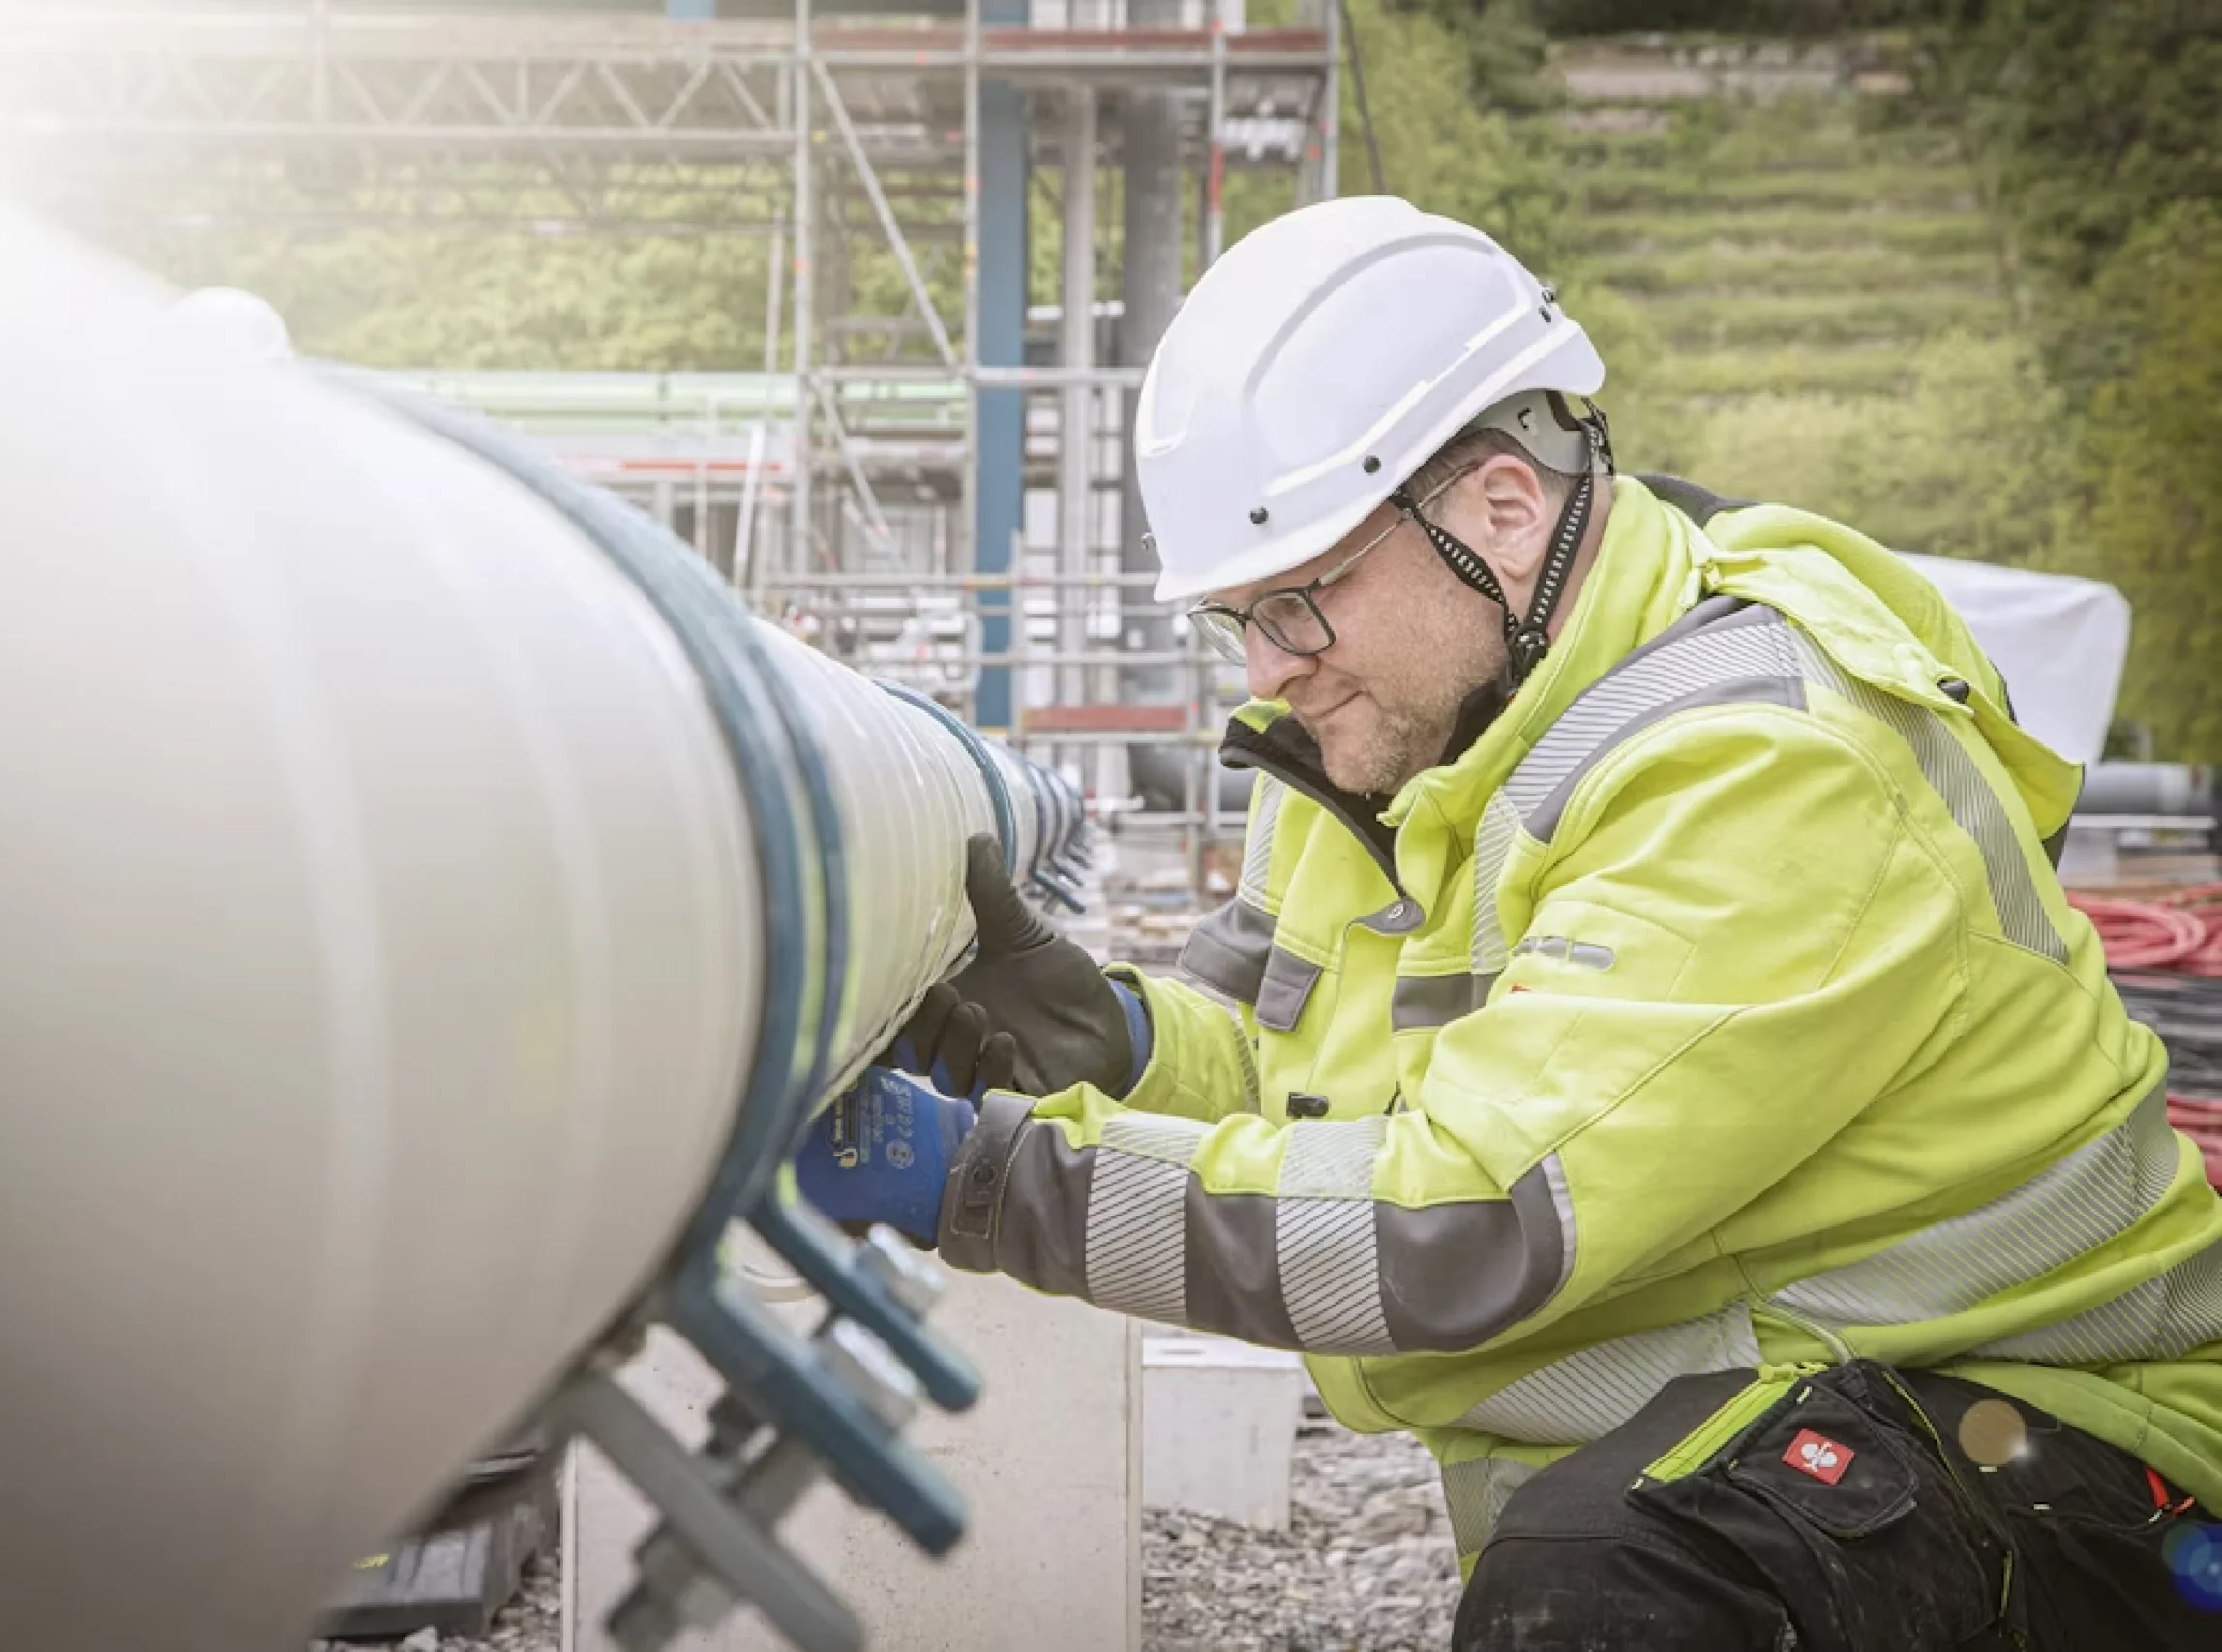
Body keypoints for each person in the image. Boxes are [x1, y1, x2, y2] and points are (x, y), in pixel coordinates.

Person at [792, 196, 2222, 1647]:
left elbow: (1463, 1217)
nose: (1273, 665)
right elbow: (1314, 1092)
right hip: (1841, 1406)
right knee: (1629, 1540)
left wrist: (975, 1178)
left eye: (1299, 601)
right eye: (1240, 619)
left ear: (1498, 508)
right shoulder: (1391, 734)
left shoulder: (1767, 762)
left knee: (1621, 1577)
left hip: (2062, 1451)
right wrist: (1123, 1040)